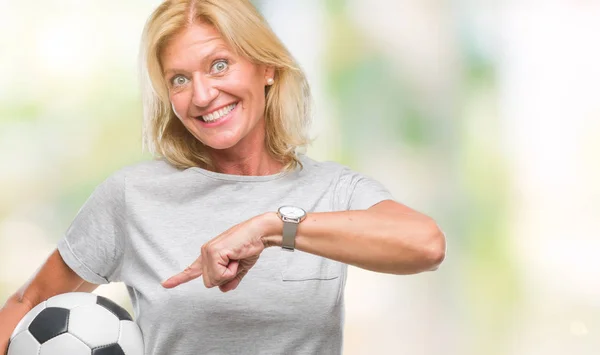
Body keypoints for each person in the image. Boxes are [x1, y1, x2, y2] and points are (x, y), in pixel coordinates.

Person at [0, 0, 446, 354]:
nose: (202, 95)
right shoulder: (132, 196)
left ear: (266, 67)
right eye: (178, 79)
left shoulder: (333, 190)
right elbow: (28, 301)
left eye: (218, 65)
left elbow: (425, 245)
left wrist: (272, 228)